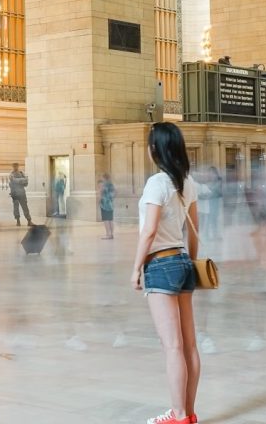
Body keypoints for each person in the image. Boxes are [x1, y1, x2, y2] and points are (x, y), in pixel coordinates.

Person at [130, 122, 200, 424]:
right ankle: (189, 412)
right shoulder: (187, 182)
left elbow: (149, 231)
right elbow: (195, 231)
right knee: (189, 345)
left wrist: (136, 268)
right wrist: (192, 264)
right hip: (183, 262)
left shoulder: (156, 183)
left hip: (160, 263)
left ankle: (178, 416)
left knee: (171, 346)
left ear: (155, 148)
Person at [98, 173, 116, 239]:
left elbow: (100, 193)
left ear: (104, 178)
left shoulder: (103, 185)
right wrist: (111, 198)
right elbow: (115, 192)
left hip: (104, 204)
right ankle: (111, 234)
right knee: (110, 219)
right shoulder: (111, 185)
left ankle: (108, 234)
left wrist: (99, 201)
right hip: (110, 204)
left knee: (106, 220)